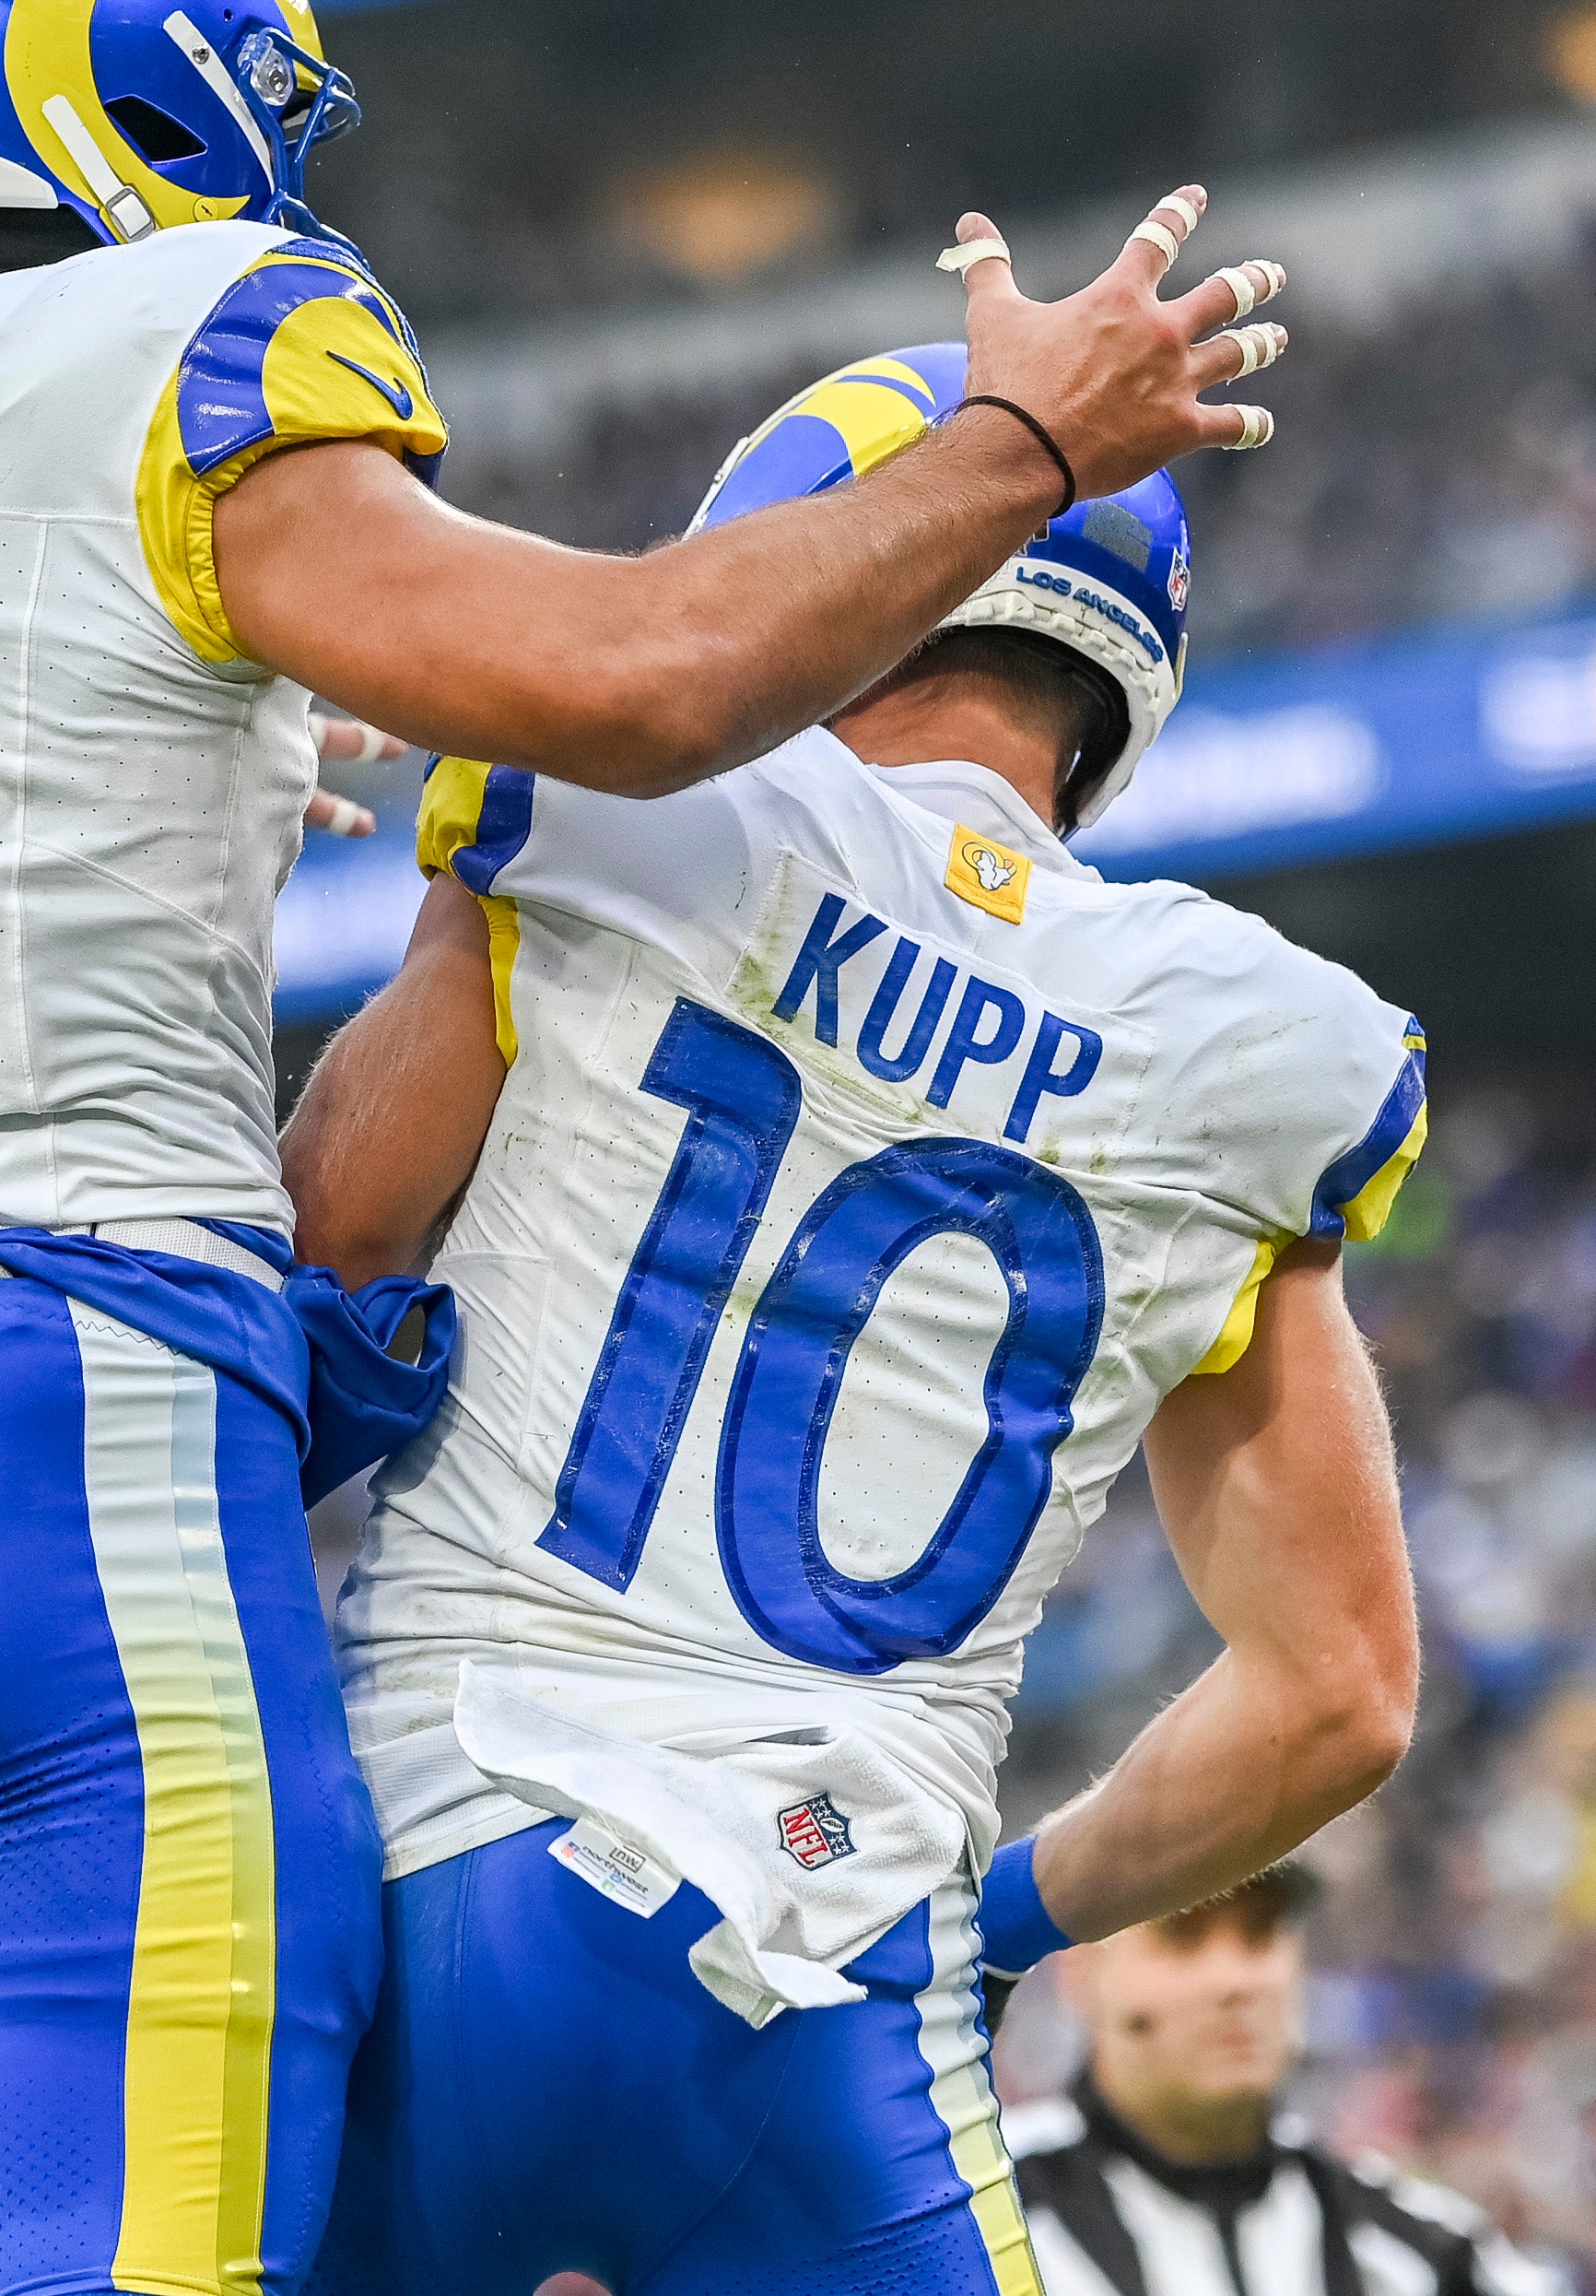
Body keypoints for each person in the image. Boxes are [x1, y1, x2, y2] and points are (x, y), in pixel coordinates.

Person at [0, 0, 1297, 2296]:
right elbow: (646, 681)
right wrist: (1022, 445)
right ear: (131, 66)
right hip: (79, 1446)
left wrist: (204, 731)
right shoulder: (193, 344)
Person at [284, 342, 1417, 2296]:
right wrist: (999, 1924)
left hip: (442, 1855)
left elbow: (326, 1254)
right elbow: (1342, 1694)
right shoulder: (1249, 1046)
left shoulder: (611, 813)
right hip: (830, 1964)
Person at [1015, 1866, 1596, 2296]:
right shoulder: (980, 2209)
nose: (1237, 1978)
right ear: (1083, 1973)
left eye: (1259, 1933)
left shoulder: (1419, 2244)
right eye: (1184, 1936)